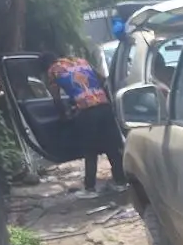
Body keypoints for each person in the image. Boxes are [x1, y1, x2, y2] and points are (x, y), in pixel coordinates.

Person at [39, 52, 127, 199]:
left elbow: (56, 97)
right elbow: (102, 79)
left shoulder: (53, 70)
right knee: (112, 147)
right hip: (104, 106)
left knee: (90, 151)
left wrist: (64, 115)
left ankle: (90, 188)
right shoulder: (80, 61)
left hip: (87, 111)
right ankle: (121, 182)